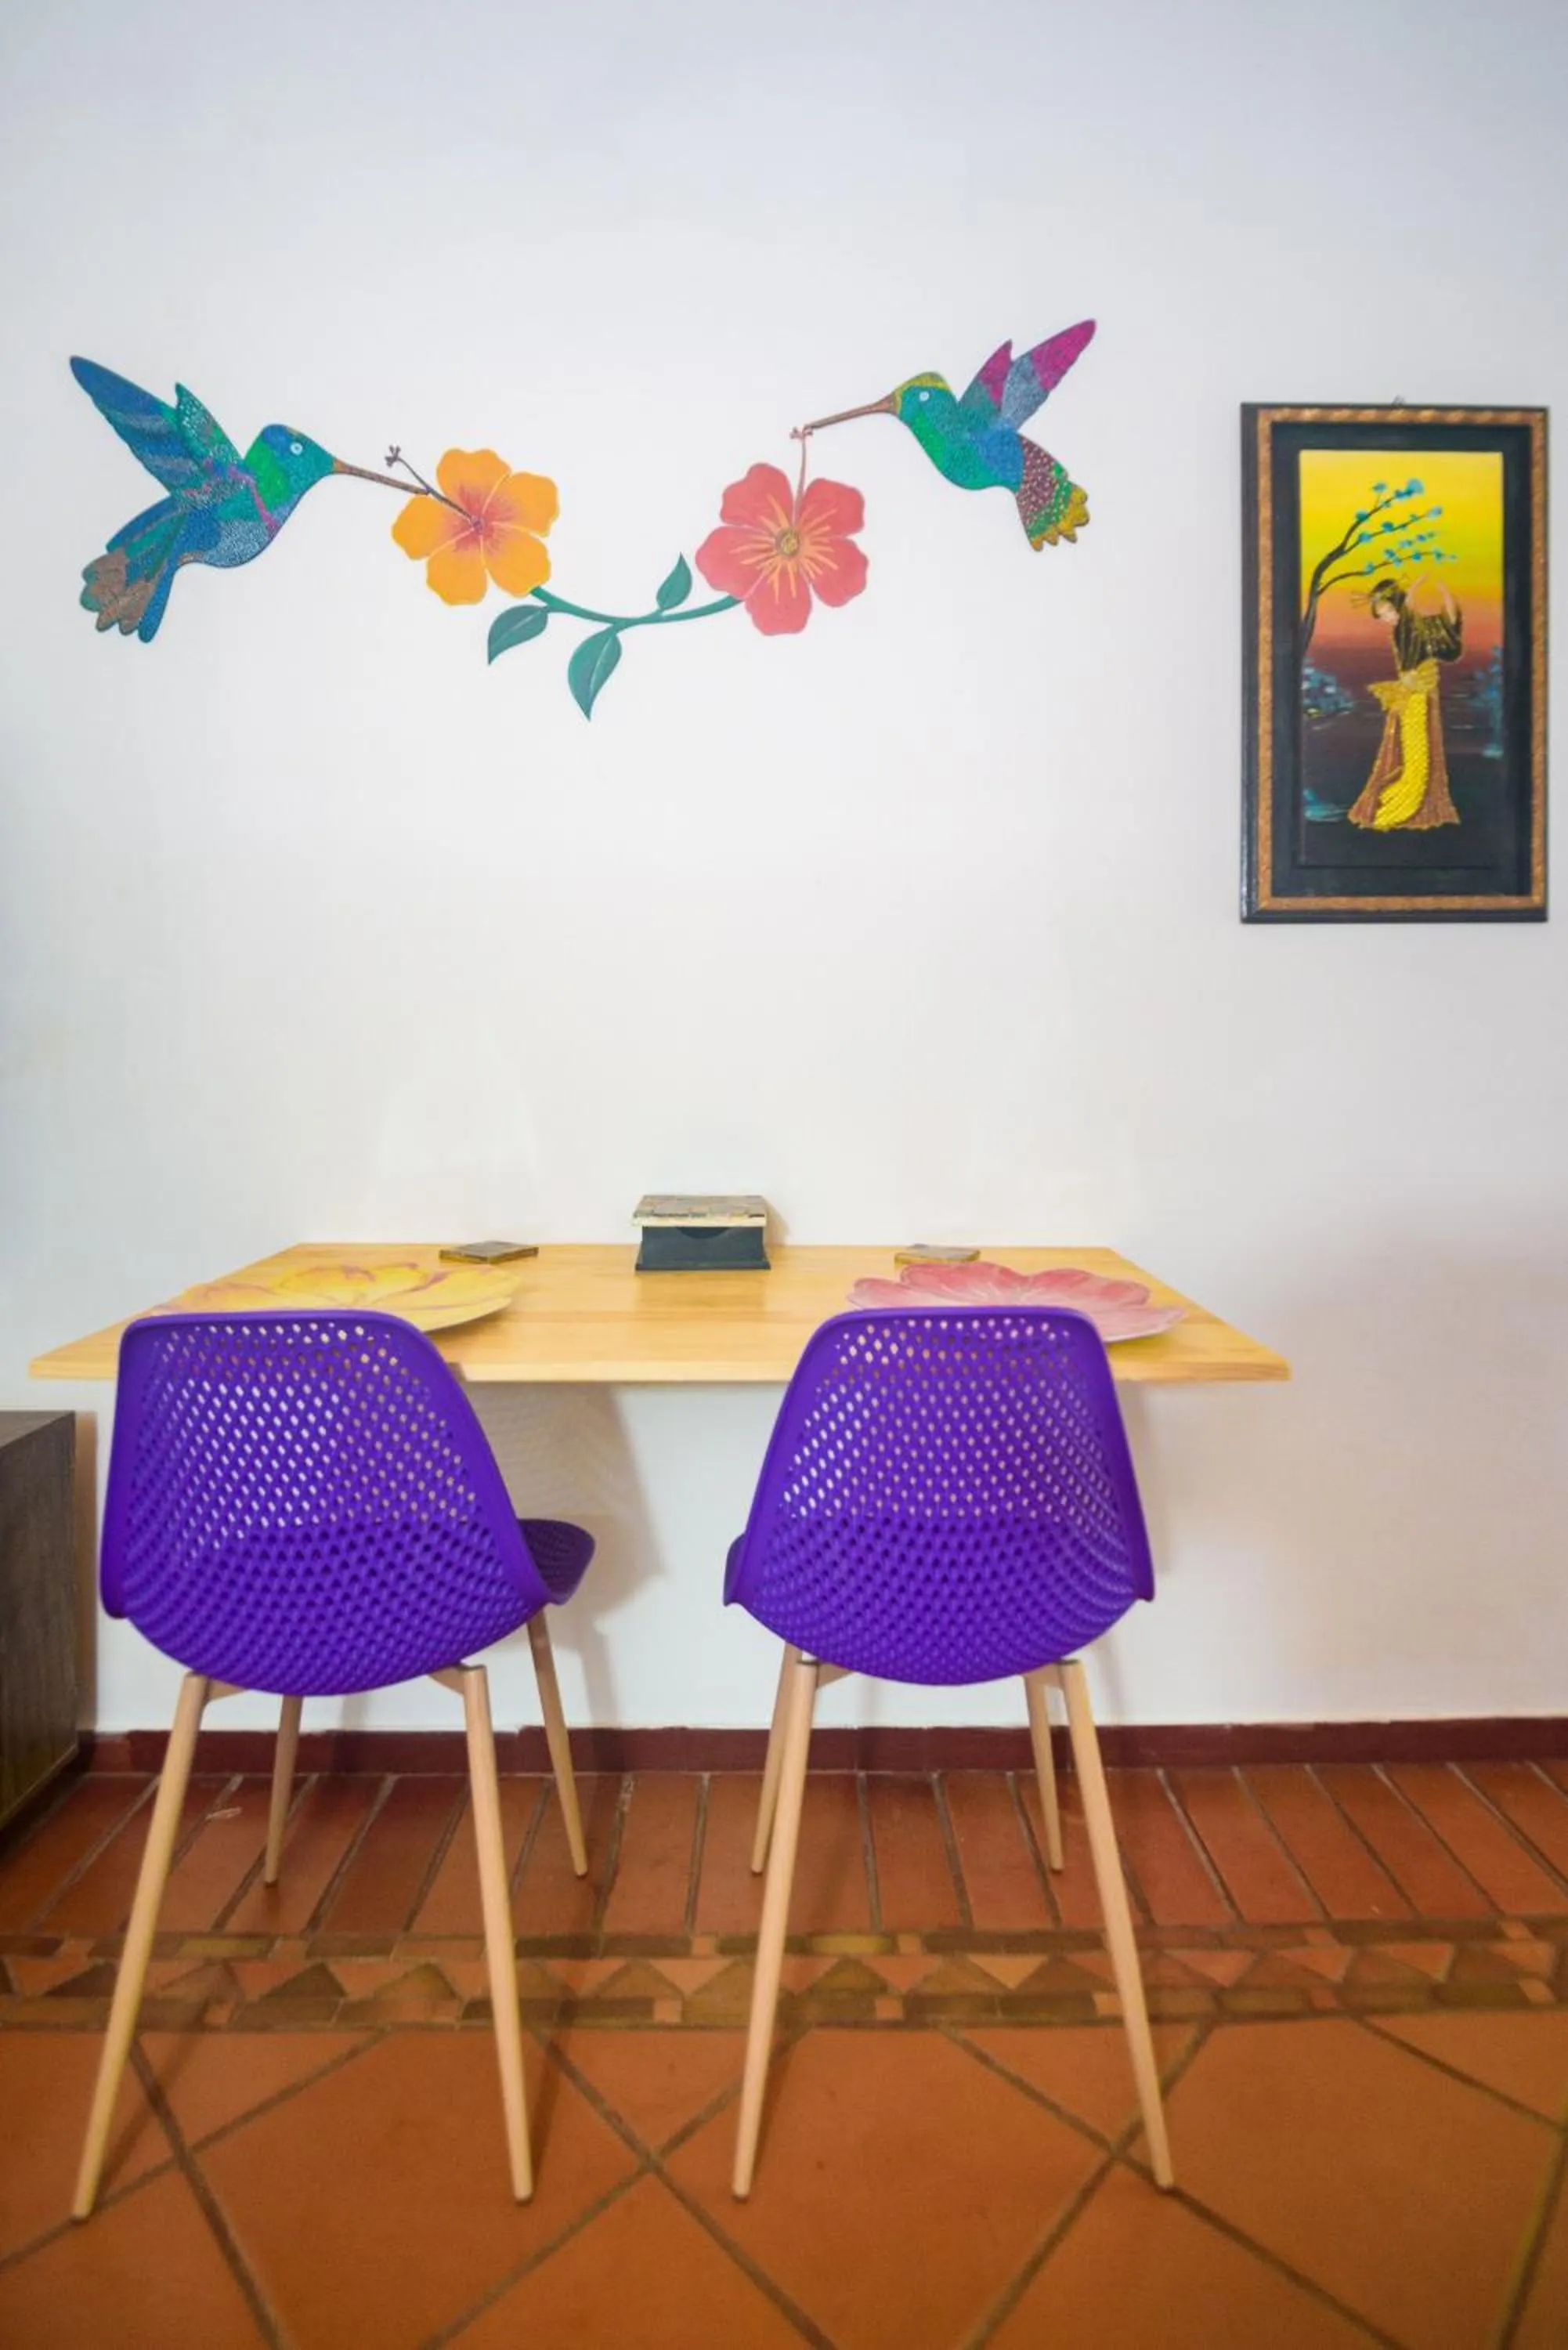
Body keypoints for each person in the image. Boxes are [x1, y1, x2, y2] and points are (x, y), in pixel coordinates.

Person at [1346, 575, 1463, 830]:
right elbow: (1416, 619)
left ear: (1397, 604)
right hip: (1414, 698)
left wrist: (1439, 589)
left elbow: (1449, 623)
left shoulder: (1415, 627)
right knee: (1414, 755)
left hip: (1421, 697)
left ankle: (1406, 802)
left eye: (1388, 610)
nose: (1387, 617)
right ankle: (1399, 803)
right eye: (1383, 614)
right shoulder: (1405, 630)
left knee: (1419, 754)